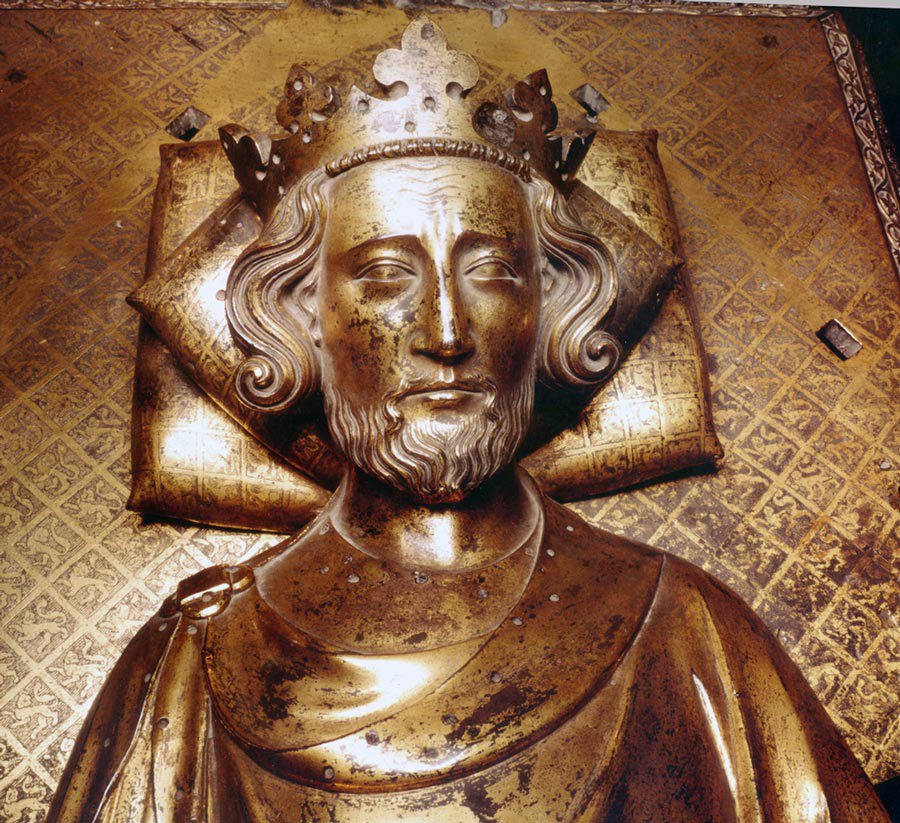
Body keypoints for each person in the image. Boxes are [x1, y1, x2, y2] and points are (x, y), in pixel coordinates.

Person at [48, 18, 888, 823]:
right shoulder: (197, 658)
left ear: (552, 305)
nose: (445, 333)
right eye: (384, 275)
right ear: (301, 314)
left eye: (490, 269)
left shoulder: (685, 629)